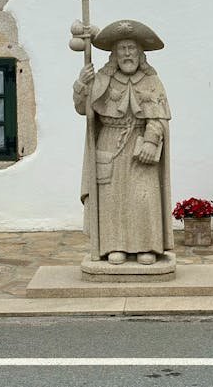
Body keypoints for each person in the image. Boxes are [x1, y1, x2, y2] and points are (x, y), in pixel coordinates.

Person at [73, 19, 173, 265]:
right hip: (108, 144)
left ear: (140, 53)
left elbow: (159, 116)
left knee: (144, 198)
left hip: (140, 144)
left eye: (132, 49)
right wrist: (81, 84)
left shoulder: (151, 80)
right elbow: (82, 109)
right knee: (112, 199)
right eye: (122, 49)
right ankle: (113, 245)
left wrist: (151, 140)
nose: (127, 54)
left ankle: (146, 246)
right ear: (114, 54)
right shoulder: (103, 79)